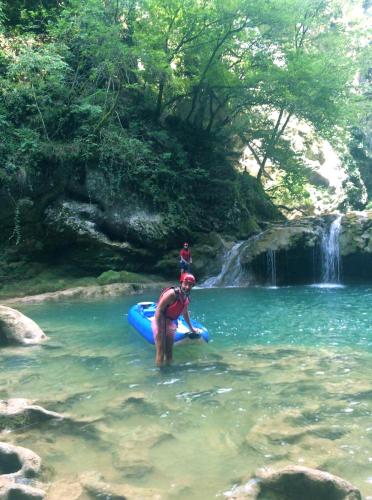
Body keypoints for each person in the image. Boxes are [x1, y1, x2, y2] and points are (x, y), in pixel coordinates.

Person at [152, 273, 198, 367]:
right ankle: (159, 376)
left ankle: (170, 374)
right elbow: (159, 310)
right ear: (181, 283)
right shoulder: (172, 294)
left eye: (190, 285)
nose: (188, 286)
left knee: (169, 352)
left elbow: (185, 313)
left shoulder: (186, 298)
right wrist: (160, 328)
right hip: (161, 321)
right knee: (161, 351)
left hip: (170, 323)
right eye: (186, 283)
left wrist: (191, 328)